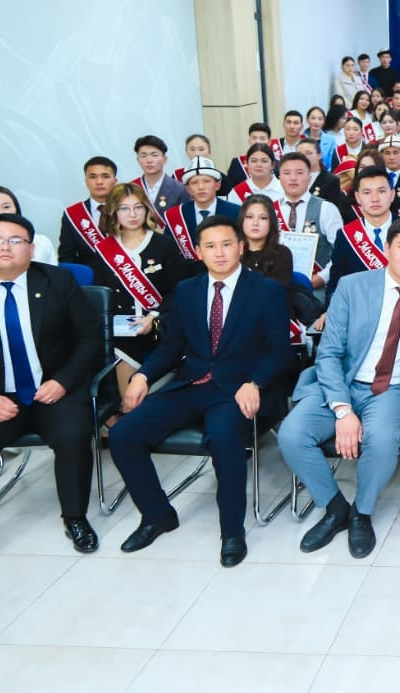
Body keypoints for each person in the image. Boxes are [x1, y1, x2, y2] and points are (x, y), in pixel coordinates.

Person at [280, 216, 400, 557]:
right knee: (292, 434)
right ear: (387, 249)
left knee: (382, 440)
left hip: (394, 390)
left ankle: (362, 512)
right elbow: (329, 354)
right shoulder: (352, 287)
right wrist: (343, 410)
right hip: (341, 383)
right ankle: (335, 507)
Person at [110, 215, 294, 567]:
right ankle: (157, 516)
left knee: (223, 438)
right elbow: (172, 346)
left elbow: (279, 351)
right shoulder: (187, 290)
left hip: (238, 388)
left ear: (241, 247)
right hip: (192, 383)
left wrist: (254, 382)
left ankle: (232, 532)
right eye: (210, 246)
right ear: (198, 251)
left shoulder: (266, 290)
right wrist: (143, 376)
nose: (219, 252)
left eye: (227, 244)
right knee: (123, 435)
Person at [0, 214, 102, 554]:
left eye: (15, 241)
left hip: (55, 387)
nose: (5, 247)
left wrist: (64, 381)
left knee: (73, 436)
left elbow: (90, 338)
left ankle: (75, 518)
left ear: (31, 248)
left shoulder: (58, 281)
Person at [91, 183, 186, 395]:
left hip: (159, 325)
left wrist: (153, 316)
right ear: (114, 212)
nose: (132, 214)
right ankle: (127, 407)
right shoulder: (104, 250)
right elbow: (101, 299)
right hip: (122, 332)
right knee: (121, 357)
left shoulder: (165, 245)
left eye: (138, 207)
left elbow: (178, 291)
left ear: (146, 209)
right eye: (124, 208)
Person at [326, 167, 397, 301]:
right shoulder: (346, 235)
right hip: (357, 307)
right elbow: (335, 284)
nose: (375, 199)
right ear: (358, 197)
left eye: (381, 191)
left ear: (392, 195)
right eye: (367, 192)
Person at [276, 152, 344, 290]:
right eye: (287, 173)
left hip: (316, 289)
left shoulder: (326, 209)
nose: (293, 178)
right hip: (277, 286)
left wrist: (322, 277)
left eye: (299, 173)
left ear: (309, 178)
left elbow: (340, 251)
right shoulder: (270, 210)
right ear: (279, 178)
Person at [166, 158, 240, 267]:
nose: (201, 187)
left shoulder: (236, 212)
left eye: (206, 181)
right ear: (188, 189)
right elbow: (170, 255)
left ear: (217, 185)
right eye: (194, 183)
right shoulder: (175, 216)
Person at [58, 155, 118, 264]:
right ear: (86, 181)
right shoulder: (73, 214)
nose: (99, 182)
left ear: (115, 181)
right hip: (89, 274)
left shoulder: (128, 210)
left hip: (125, 272)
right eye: (93, 177)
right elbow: (66, 257)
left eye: (105, 176)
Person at [0, 186, 57, 265]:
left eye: (6, 207)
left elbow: (53, 271)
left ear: (16, 209)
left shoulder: (42, 243)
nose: (0, 212)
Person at [237, 195, 293, 287]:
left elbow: (276, 290)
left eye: (263, 218)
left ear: (271, 222)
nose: (255, 223)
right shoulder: (231, 251)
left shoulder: (282, 253)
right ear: (242, 220)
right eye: (249, 217)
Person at [132, 135, 188, 222]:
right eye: (143, 155)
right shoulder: (131, 188)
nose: (149, 160)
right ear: (138, 159)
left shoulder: (180, 189)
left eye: (154, 155)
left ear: (164, 159)